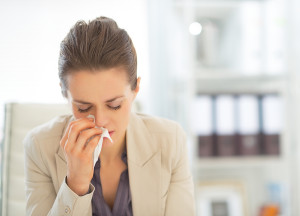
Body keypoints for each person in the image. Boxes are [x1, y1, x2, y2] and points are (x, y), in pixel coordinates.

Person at [24, 16, 195, 216]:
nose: (100, 121)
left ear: (135, 89)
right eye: (83, 107)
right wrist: (75, 185)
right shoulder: (39, 147)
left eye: (114, 105)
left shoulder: (170, 140)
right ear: (65, 93)